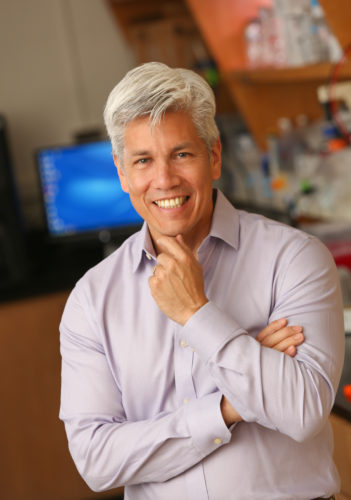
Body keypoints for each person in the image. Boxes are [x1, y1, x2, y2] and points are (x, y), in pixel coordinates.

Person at [59, 62, 345, 500]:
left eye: (181, 154)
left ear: (213, 156)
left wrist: (197, 313)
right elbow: (96, 461)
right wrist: (231, 405)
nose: (164, 179)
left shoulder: (295, 257)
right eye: (143, 160)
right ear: (121, 172)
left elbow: (303, 410)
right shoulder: (91, 299)